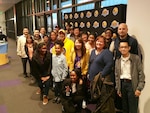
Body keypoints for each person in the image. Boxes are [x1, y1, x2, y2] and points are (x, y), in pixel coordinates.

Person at [115, 40, 145, 113]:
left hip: (132, 85)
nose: (123, 49)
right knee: (124, 108)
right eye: (121, 47)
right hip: (122, 85)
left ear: (129, 48)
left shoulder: (136, 58)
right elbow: (116, 75)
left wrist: (139, 88)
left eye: (125, 47)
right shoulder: (118, 60)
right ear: (119, 49)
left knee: (133, 109)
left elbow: (141, 74)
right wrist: (118, 88)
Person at [88, 36, 115, 113]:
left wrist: (102, 75)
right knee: (95, 98)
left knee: (103, 100)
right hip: (93, 79)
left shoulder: (107, 52)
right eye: (97, 41)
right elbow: (90, 63)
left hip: (101, 81)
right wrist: (89, 73)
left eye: (101, 42)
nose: (99, 43)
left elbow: (109, 65)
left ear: (104, 44)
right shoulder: (93, 51)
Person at [52, 40, 68, 104]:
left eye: (58, 48)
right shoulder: (53, 56)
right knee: (55, 88)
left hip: (61, 76)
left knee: (60, 88)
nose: (57, 49)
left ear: (61, 49)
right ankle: (56, 96)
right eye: (56, 48)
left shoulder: (63, 57)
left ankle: (60, 97)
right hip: (55, 76)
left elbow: (65, 68)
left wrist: (63, 76)